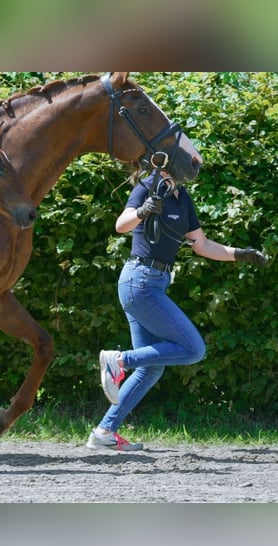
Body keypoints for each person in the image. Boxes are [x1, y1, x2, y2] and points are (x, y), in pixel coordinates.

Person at [87, 170, 266, 451]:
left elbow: (202, 245)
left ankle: (104, 432)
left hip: (154, 284)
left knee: (152, 369)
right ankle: (119, 361)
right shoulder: (147, 186)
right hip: (140, 281)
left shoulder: (181, 197)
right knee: (194, 349)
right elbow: (121, 225)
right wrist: (144, 211)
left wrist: (238, 254)